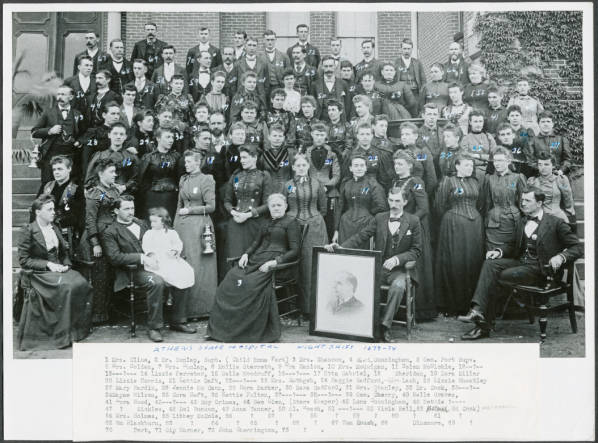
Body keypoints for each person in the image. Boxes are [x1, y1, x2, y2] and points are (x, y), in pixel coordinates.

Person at [458, 187, 583, 340]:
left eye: (527, 200)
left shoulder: (556, 223)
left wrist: (561, 257)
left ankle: (483, 325)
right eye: (522, 200)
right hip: (521, 265)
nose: (523, 203)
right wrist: (498, 252)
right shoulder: (522, 220)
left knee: (496, 276)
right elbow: (512, 245)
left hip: (541, 270)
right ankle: (477, 312)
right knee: (490, 265)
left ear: (539, 203)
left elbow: (577, 247)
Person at [325, 187, 423, 342]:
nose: (394, 204)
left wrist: (397, 259)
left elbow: (416, 250)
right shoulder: (380, 218)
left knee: (398, 287)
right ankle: (362, 324)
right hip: (378, 269)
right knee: (360, 285)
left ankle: (384, 327)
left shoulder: (413, 221)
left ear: (405, 201)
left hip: (401, 271)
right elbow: (361, 235)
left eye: (397, 201)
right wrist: (342, 246)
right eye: (391, 200)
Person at [207, 193, 301, 342]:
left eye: (279, 205)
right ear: (268, 207)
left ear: (286, 206)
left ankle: (247, 331)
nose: (276, 208)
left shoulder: (291, 222)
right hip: (256, 259)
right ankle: (226, 329)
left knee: (250, 285)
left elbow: (295, 250)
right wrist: (245, 254)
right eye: (273, 206)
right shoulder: (265, 222)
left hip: (275, 264)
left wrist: (275, 262)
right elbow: (256, 243)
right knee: (230, 280)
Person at [103, 195, 196, 342]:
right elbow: (115, 257)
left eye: (132, 208)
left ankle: (178, 320)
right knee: (156, 282)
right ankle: (155, 327)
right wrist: (142, 257)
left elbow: (162, 237)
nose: (131, 211)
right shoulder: (111, 231)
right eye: (126, 208)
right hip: (134, 270)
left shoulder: (142, 223)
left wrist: (172, 251)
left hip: (159, 264)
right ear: (116, 211)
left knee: (182, 273)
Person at [17, 194, 93, 351]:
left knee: (81, 283)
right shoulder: (29, 230)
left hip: (58, 268)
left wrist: (65, 265)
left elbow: (64, 253)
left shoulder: (55, 227)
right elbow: (24, 260)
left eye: (54, 209)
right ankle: (61, 335)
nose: (53, 212)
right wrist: (48, 265)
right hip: (39, 273)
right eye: (49, 209)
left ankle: (75, 331)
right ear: (38, 212)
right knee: (67, 287)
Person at [434, 154, 484, 316]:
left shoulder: (475, 181)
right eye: (466, 165)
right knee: (455, 263)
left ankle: (471, 303)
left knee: (473, 261)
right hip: (453, 226)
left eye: (471, 165)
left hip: (475, 227)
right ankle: (453, 305)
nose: (470, 168)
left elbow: (481, 203)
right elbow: (439, 206)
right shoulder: (448, 181)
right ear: (457, 166)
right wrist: (453, 218)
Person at [391, 151, 437, 320]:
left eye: (401, 164)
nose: (397, 167)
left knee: (416, 267)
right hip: (400, 230)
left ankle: (420, 311)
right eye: (396, 164)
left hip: (414, 229)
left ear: (410, 165)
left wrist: (408, 222)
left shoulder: (416, 182)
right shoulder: (395, 182)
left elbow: (423, 208)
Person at [172, 150, 218, 318]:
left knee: (201, 267)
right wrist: (175, 227)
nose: (186, 164)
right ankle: (186, 310)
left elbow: (211, 206)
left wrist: (190, 210)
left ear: (198, 163)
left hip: (200, 226)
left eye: (190, 161)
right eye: (186, 162)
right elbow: (179, 205)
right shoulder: (183, 179)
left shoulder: (207, 179)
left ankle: (203, 308)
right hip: (183, 228)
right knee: (185, 263)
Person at [283, 154, 328, 316]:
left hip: (314, 227)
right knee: (294, 264)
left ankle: (312, 309)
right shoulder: (287, 185)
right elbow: (284, 206)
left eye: (304, 165)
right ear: (293, 167)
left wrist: (313, 219)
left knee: (311, 265)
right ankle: (293, 308)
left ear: (308, 166)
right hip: (293, 226)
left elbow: (323, 207)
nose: (301, 168)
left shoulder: (317, 184)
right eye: (298, 165)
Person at [77, 159, 121, 323]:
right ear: (101, 174)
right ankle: (97, 314)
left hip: (110, 237)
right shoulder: (95, 192)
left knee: (109, 275)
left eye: (115, 171)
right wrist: (95, 243)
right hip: (95, 239)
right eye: (111, 172)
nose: (115, 174)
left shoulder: (114, 190)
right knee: (99, 275)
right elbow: (90, 220)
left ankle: (107, 311)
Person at [223, 144, 273, 260]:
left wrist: (248, 215)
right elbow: (227, 201)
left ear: (254, 157)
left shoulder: (264, 176)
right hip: (235, 223)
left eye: (245, 157)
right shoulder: (236, 176)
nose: (242, 161)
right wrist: (233, 212)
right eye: (241, 158)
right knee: (234, 257)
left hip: (254, 223)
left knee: (252, 258)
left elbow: (267, 204)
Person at [31, 85, 87, 189]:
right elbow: (34, 132)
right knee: (48, 185)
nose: (59, 97)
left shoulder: (77, 114)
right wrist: (50, 131)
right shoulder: (48, 112)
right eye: (58, 94)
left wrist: (79, 142)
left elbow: (84, 133)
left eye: (63, 94)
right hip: (51, 154)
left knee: (69, 186)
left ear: (71, 97)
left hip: (71, 156)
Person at [334, 154, 387, 248]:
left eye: (362, 165)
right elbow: (339, 207)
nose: (359, 168)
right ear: (350, 168)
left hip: (365, 225)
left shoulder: (372, 183)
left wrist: (368, 215)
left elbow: (381, 206)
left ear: (366, 168)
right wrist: (336, 230)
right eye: (356, 166)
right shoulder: (346, 183)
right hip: (345, 225)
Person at [480, 147, 527, 252]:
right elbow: (486, 203)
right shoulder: (489, 178)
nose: (497, 164)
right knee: (492, 252)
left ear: (508, 161)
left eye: (500, 160)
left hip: (513, 221)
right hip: (493, 223)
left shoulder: (518, 177)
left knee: (513, 251)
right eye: (495, 160)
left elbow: (524, 203)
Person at [36, 156, 84, 257]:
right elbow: (36, 208)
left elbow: (78, 215)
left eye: (60, 169)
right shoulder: (47, 186)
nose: (56, 172)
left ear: (69, 169)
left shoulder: (76, 189)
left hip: (66, 230)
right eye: (54, 169)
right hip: (45, 228)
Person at [142, 207, 195, 289]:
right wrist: (151, 254)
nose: (152, 224)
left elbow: (178, 244)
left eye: (155, 222)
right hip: (155, 260)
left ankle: (173, 292)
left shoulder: (171, 233)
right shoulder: (149, 233)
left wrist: (174, 251)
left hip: (169, 258)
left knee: (186, 270)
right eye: (151, 221)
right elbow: (146, 246)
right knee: (168, 271)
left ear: (163, 222)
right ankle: (167, 289)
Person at [304, 122, 341, 239]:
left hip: (328, 192)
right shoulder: (306, 153)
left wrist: (326, 187)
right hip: (311, 191)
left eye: (321, 135)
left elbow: (336, 175)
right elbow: (303, 172)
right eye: (316, 134)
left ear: (326, 135)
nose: (319, 138)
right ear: (312, 135)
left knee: (329, 222)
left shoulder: (332, 154)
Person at [138, 127, 183, 219]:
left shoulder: (177, 156)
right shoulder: (148, 157)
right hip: (153, 197)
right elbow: (142, 180)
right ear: (158, 138)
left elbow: (180, 177)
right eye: (167, 137)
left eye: (172, 137)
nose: (171, 140)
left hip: (172, 196)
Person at [85, 122, 140, 196]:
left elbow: (136, 178)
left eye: (121, 134)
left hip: (124, 195)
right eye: (115, 133)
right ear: (109, 135)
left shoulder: (131, 157)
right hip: (102, 194)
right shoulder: (100, 155)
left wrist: (124, 187)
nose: (118, 137)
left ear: (125, 137)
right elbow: (90, 178)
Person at [527, 152, 575, 224]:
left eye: (546, 164)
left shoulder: (561, 180)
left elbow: (568, 201)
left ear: (553, 166)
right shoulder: (532, 181)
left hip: (557, 217)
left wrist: (569, 215)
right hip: (537, 218)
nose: (543, 167)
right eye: (540, 164)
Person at [395, 122, 437, 195]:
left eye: (407, 134)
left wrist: (424, 195)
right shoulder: (399, 153)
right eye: (402, 134)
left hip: (420, 193)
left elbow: (432, 179)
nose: (404, 137)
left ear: (415, 136)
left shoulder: (423, 152)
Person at [528, 111, 573, 176]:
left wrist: (561, 171)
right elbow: (530, 162)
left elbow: (568, 160)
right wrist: (544, 171)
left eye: (548, 121)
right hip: (539, 177)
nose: (545, 124)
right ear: (538, 124)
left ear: (553, 124)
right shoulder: (532, 141)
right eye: (543, 122)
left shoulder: (562, 140)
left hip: (559, 176)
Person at [230, 37, 270, 105]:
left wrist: (262, 95)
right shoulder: (237, 64)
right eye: (249, 45)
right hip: (242, 98)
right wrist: (238, 96)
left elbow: (266, 84)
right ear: (245, 46)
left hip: (259, 98)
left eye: (254, 45)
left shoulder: (263, 63)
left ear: (257, 47)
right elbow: (233, 85)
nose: (252, 48)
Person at [310, 55, 351, 121]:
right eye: (326, 66)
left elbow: (348, 105)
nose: (328, 69)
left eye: (331, 66)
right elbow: (313, 105)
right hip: (321, 121)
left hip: (339, 121)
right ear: (322, 67)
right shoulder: (315, 84)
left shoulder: (343, 84)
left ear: (335, 67)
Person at [258, 124, 296, 193]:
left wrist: (291, 191)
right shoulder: (263, 156)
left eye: (280, 136)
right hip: (269, 191)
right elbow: (260, 177)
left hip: (286, 190)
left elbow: (294, 175)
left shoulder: (289, 154)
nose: (277, 138)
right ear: (269, 137)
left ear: (284, 138)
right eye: (274, 136)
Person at [460, 110, 497, 176]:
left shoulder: (488, 137)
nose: (478, 124)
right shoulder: (465, 139)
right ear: (470, 122)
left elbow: (494, 156)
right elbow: (465, 158)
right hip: (473, 171)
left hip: (489, 171)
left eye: (480, 121)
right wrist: (484, 160)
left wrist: (478, 156)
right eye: (475, 121)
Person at [394, 38, 427, 113]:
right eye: (404, 48)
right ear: (401, 49)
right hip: (402, 95)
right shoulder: (396, 63)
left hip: (415, 94)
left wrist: (422, 94)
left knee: (415, 114)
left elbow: (423, 80)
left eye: (408, 49)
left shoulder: (417, 63)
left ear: (412, 49)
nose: (406, 51)